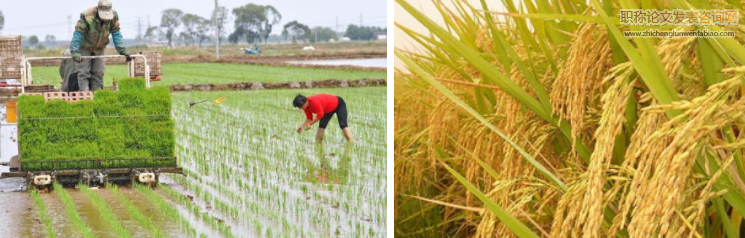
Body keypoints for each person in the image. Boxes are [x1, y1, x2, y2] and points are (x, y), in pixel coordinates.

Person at [69, 0, 130, 92]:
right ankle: (85, 96)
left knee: (98, 72)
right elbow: (78, 34)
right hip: (85, 47)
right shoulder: (87, 16)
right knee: (84, 72)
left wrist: (123, 51)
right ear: (98, 10)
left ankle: (97, 96)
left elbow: (116, 33)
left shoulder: (114, 16)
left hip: (99, 48)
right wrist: (74, 51)